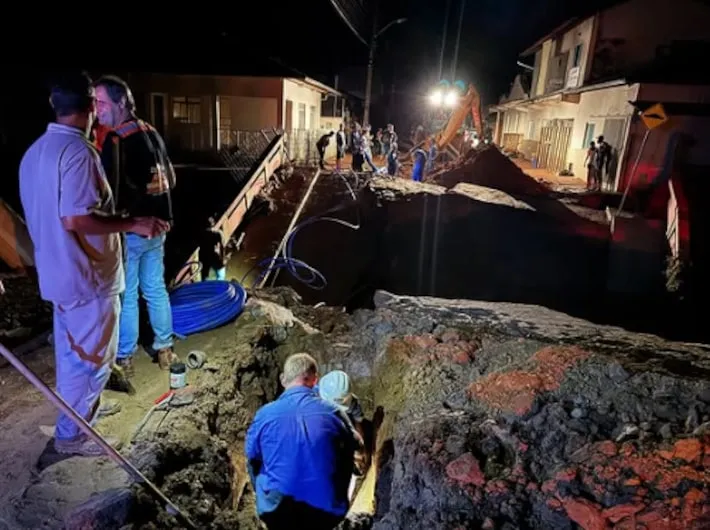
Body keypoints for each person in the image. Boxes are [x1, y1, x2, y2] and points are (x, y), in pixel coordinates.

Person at [19, 72, 169, 456]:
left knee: (72, 355)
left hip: (57, 273)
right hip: (88, 276)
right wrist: (132, 222)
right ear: (88, 106)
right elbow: (76, 217)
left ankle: (82, 414)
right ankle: (73, 435)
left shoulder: (35, 153)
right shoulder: (80, 153)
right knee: (95, 360)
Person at [94, 75, 178, 375]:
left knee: (127, 293)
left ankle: (126, 356)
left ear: (120, 103)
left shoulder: (116, 141)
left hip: (133, 229)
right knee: (155, 287)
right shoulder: (151, 132)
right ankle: (165, 348)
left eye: (102, 102)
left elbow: (109, 195)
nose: (97, 108)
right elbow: (172, 178)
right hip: (159, 226)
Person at [246, 353, 363, 530]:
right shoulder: (333, 412)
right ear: (315, 381)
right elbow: (357, 445)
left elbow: (252, 459)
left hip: (276, 513)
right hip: (327, 513)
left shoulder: (264, 415)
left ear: (283, 380)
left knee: (257, 462)